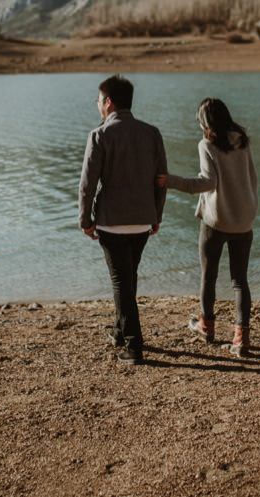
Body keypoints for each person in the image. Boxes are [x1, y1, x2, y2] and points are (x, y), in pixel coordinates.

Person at [157, 97, 258, 357]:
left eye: (199, 120)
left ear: (206, 122)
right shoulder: (243, 142)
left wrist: (171, 181)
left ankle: (206, 327)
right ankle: (241, 339)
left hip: (217, 221)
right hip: (244, 220)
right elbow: (252, 178)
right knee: (240, 281)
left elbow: (206, 183)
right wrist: (250, 210)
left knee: (208, 276)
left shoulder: (207, 145)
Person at [78, 75, 167, 365]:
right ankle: (119, 330)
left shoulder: (99, 135)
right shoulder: (151, 133)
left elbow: (87, 184)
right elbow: (160, 181)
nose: (97, 106)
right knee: (128, 279)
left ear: (109, 102)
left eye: (98, 100)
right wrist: (157, 215)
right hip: (143, 220)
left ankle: (133, 345)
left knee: (120, 282)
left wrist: (85, 219)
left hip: (111, 222)